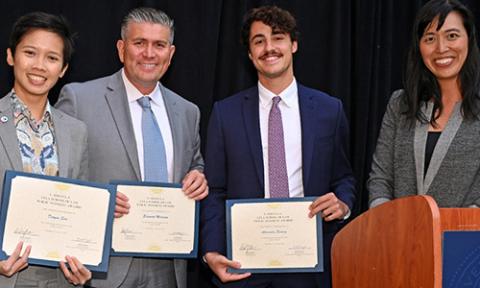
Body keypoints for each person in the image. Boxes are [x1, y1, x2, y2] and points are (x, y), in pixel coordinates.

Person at [200, 5, 356, 288]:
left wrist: (343, 204)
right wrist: (211, 251)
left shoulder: (329, 110)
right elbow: (215, 191)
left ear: (293, 45)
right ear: (249, 54)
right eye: (259, 41)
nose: (269, 48)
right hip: (244, 267)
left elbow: (343, 176)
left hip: (309, 265)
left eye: (278, 37)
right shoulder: (226, 114)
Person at [55, 7, 208, 288]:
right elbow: (57, 177)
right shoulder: (79, 99)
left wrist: (198, 176)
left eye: (159, 45)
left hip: (169, 268)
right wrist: (97, 202)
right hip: (103, 267)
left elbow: (194, 164)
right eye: (140, 43)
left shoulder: (188, 112)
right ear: (121, 48)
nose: (149, 53)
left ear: (171, 54)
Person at [0, 11, 91, 287]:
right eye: (30, 53)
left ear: (63, 69)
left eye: (52, 58)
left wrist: (85, 258)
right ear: (11, 56)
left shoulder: (77, 131)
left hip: (60, 279)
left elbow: (82, 207)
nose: (39, 66)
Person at [368, 0, 480, 208]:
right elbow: (380, 179)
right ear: (419, 46)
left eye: (452, 36)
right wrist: (387, 224)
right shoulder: (399, 104)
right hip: (398, 237)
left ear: (469, 40)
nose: (441, 48)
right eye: (430, 38)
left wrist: (458, 228)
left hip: (466, 237)